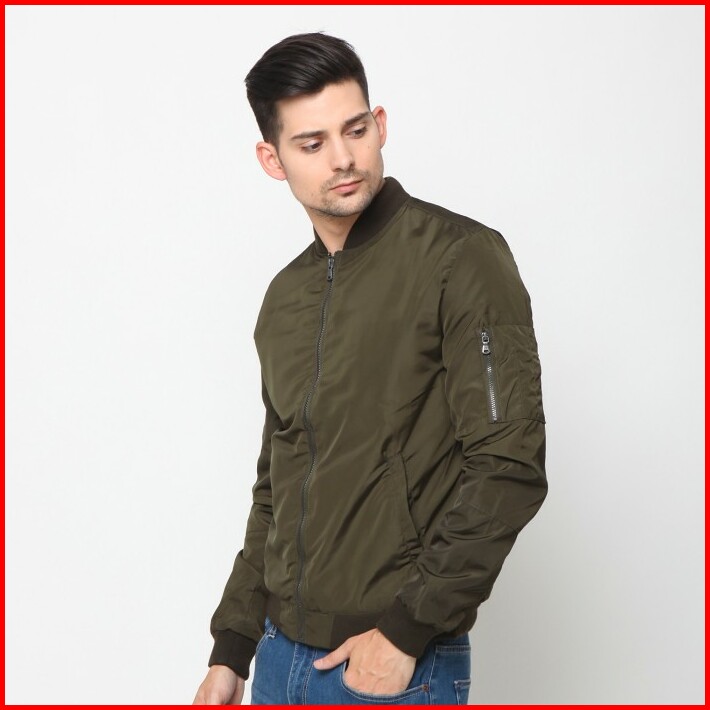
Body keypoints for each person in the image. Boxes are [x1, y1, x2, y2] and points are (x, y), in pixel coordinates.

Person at [193, 32, 547, 706]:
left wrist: (404, 633)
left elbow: (509, 465)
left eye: (355, 130)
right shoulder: (284, 298)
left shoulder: (460, 258)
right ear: (272, 159)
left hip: (390, 666)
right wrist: (232, 647)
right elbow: (276, 485)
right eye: (312, 143)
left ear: (379, 124)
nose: (344, 158)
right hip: (276, 660)